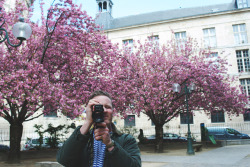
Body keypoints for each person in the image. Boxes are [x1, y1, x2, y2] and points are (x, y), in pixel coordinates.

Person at [57, 90, 141, 167]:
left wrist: (110, 144)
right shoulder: (80, 139)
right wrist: (87, 122)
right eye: (98, 107)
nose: (103, 110)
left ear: (113, 111)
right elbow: (63, 161)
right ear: (90, 110)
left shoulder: (127, 140)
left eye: (107, 107)